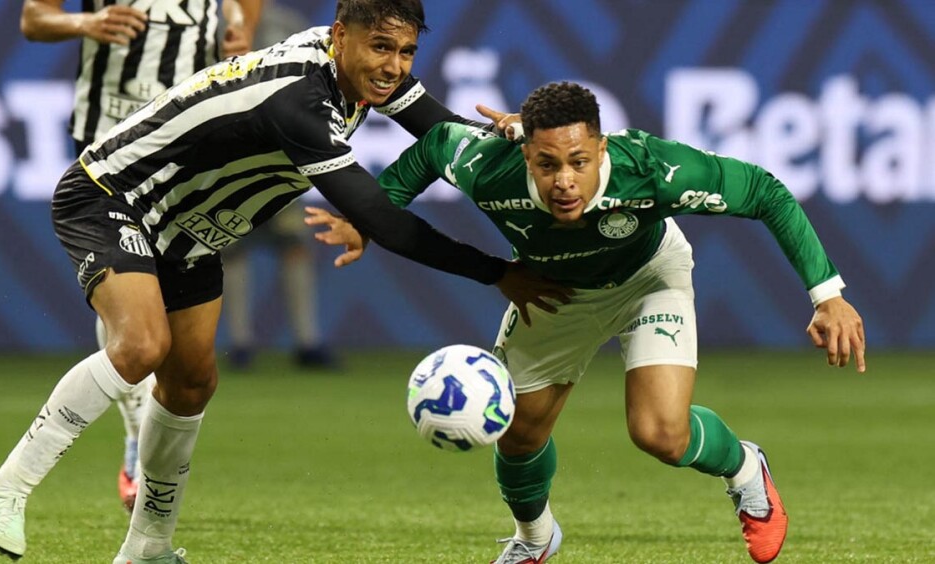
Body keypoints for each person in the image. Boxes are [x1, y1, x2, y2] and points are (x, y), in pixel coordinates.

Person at [0, 1, 570, 562]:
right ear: (340, 36)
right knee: (142, 345)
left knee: (192, 383)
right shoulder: (298, 100)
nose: (394, 66)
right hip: (113, 195)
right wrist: (498, 273)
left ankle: (148, 546)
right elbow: (382, 221)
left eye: (407, 51)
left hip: (191, 231)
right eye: (381, 48)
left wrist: (517, 138)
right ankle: (5, 491)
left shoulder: (359, 74)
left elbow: (441, 133)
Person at [306, 81, 867, 564]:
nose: (564, 181)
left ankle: (745, 469)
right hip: (554, 292)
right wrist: (370, 216)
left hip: (649, 278)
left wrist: (827, 295)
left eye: (579, 161)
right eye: (547, 164)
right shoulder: (488, 165)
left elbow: (765, 191)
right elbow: (432, 147)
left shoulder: (651, 169)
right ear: (526, 155)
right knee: (517, 432)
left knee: (660, 434)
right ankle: (535, 539)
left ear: (602, 148)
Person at [6, 0, 261, 520]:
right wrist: (86, 22)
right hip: (109, 137)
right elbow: (34, 18)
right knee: (128, 290)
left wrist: (241, 32)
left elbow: (242, 10)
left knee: (172, 311)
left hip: (189, 137)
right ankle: (135, 427)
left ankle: (143, 435)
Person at [221, 0, 338, 371]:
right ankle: (240, 343)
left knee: (295, 245)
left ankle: (307, 342)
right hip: (228, 161)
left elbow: (312, 86)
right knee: (230, 249)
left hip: (279, 160)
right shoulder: (215, 26)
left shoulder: (289, 25)